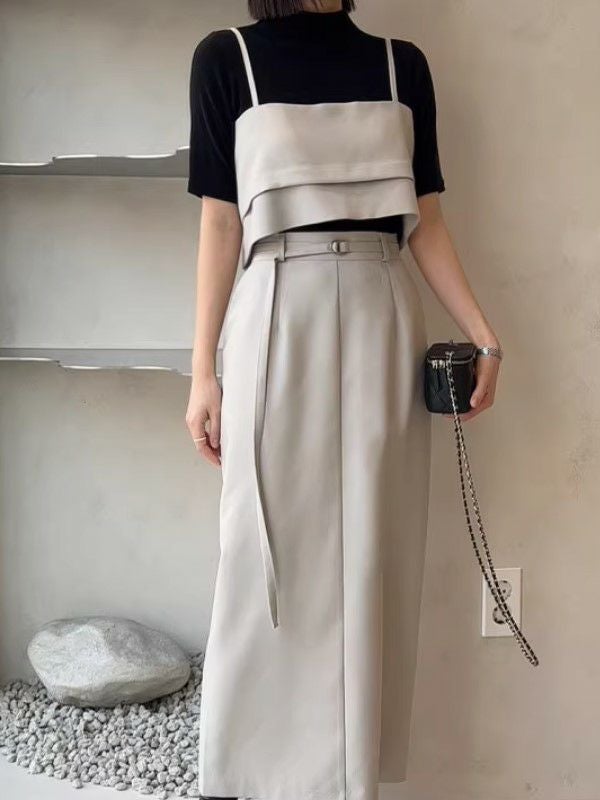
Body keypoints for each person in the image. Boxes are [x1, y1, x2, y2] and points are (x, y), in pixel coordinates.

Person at [185, 2, 502, 799]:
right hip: (273, 310)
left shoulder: (402, 65)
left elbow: (426, 222)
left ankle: (353, 776)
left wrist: (484, 336)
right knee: (262, 550)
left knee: (370, 545)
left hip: (379, 310)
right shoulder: (225, 58)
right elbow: (220, 224)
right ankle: (245, 775)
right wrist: (202, 373)